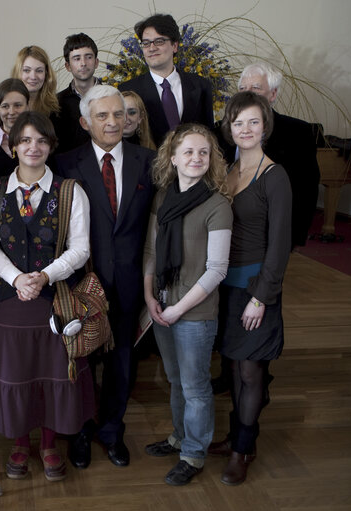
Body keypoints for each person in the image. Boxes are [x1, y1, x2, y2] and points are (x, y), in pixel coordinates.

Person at [0, 111, 94, 482]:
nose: (34, 147)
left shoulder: (70, 190)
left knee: (51, 374)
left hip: (55, 300)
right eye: (25, 140)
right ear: (13, 146)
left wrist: (44, 276)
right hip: (11, 301)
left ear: (51, 146)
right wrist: (17, 279)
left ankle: (47, 444)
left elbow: (81, 249)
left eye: (41, 140)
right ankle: (18, 443)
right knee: (16, 375)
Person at [55, 85, 156, 469]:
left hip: (131, 281)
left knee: (121, 362)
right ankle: (80, 431)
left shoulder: (149, 161)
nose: (114, 122)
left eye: (120, 114)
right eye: (103, 116)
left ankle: (112, 430)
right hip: (82, 282)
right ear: (85, 122)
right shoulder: (66, 164)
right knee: (81, 361)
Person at [209, 91, 292, 486]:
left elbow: (279, 246)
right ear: (229, 127)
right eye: (238, 122)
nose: (245, 129)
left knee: (249, 371)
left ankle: (243, 450)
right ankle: (237, 437)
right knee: (230, 366)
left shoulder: (274, 176)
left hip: (256, 289)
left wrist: (261, 297)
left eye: (253, 122)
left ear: (265, 126)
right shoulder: (227, 171)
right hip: (225, 286)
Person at [142, 124, 232, 485]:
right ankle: (179, 437)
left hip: (194, 313)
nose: (196, 158)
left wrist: (179, 309)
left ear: (210, 160)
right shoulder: (163, 198)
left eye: (203, 153)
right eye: (189, 152)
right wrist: (149, 297)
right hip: (162, 304)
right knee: (176, 380)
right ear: (174, 158)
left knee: (195, 386)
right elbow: (151, 250)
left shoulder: (217, 205)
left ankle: (193, 454)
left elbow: (217, 271)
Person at [237, 62, 320, 249]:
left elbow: (306, 190)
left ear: (273, 94)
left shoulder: (298, 132)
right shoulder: (220, 132)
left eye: (256, 88)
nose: (247, 94)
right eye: (242, 88)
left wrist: (293, 239)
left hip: (271, 235)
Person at [119, 14, 214, 147]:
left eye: (159, 41)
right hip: (147, 165)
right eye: (146, 43)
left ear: (174, 46)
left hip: (193, 163)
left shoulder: (201, 85)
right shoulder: (128, 89)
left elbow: (210, 135)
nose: (152, 48)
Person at [56, 33, 101, 153]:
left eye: (88, 57)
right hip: (70, 167)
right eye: (76, 58)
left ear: (96, 62)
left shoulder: (112, 97)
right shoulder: (57, 103)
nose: (83, 63)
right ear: (68, 66)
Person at [11, 46, 60, 118]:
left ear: (46, 74)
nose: (33, 77)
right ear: (17, 72)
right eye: (26, 70)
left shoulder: (56, 108)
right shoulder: (6, 105)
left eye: (39, 71)